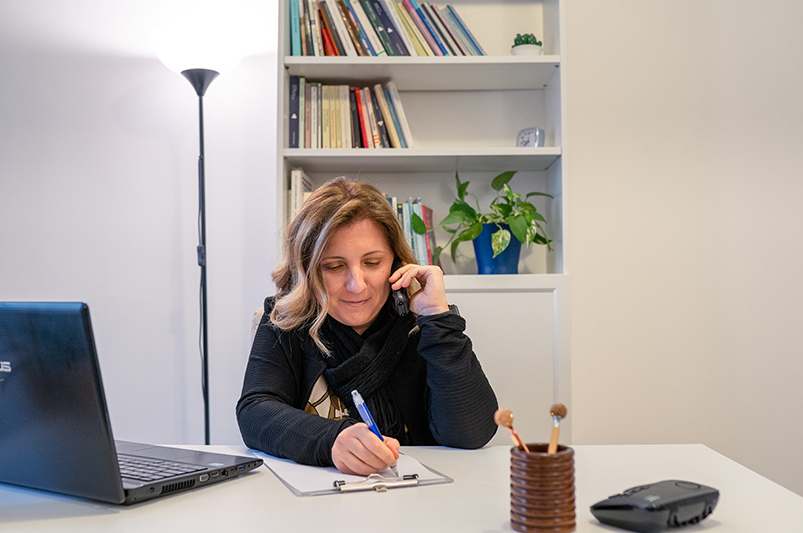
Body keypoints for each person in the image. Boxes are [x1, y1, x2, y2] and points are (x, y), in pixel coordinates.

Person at [237, 177, 498, 476]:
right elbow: (255, 411)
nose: (357, 285)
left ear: (396, 263)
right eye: (334, 266)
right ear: (306, 269)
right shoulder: (286, 318)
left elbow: (471, 433)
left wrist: (438, 319)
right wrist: (331, 440)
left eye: (373, 263)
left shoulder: (422, 322)